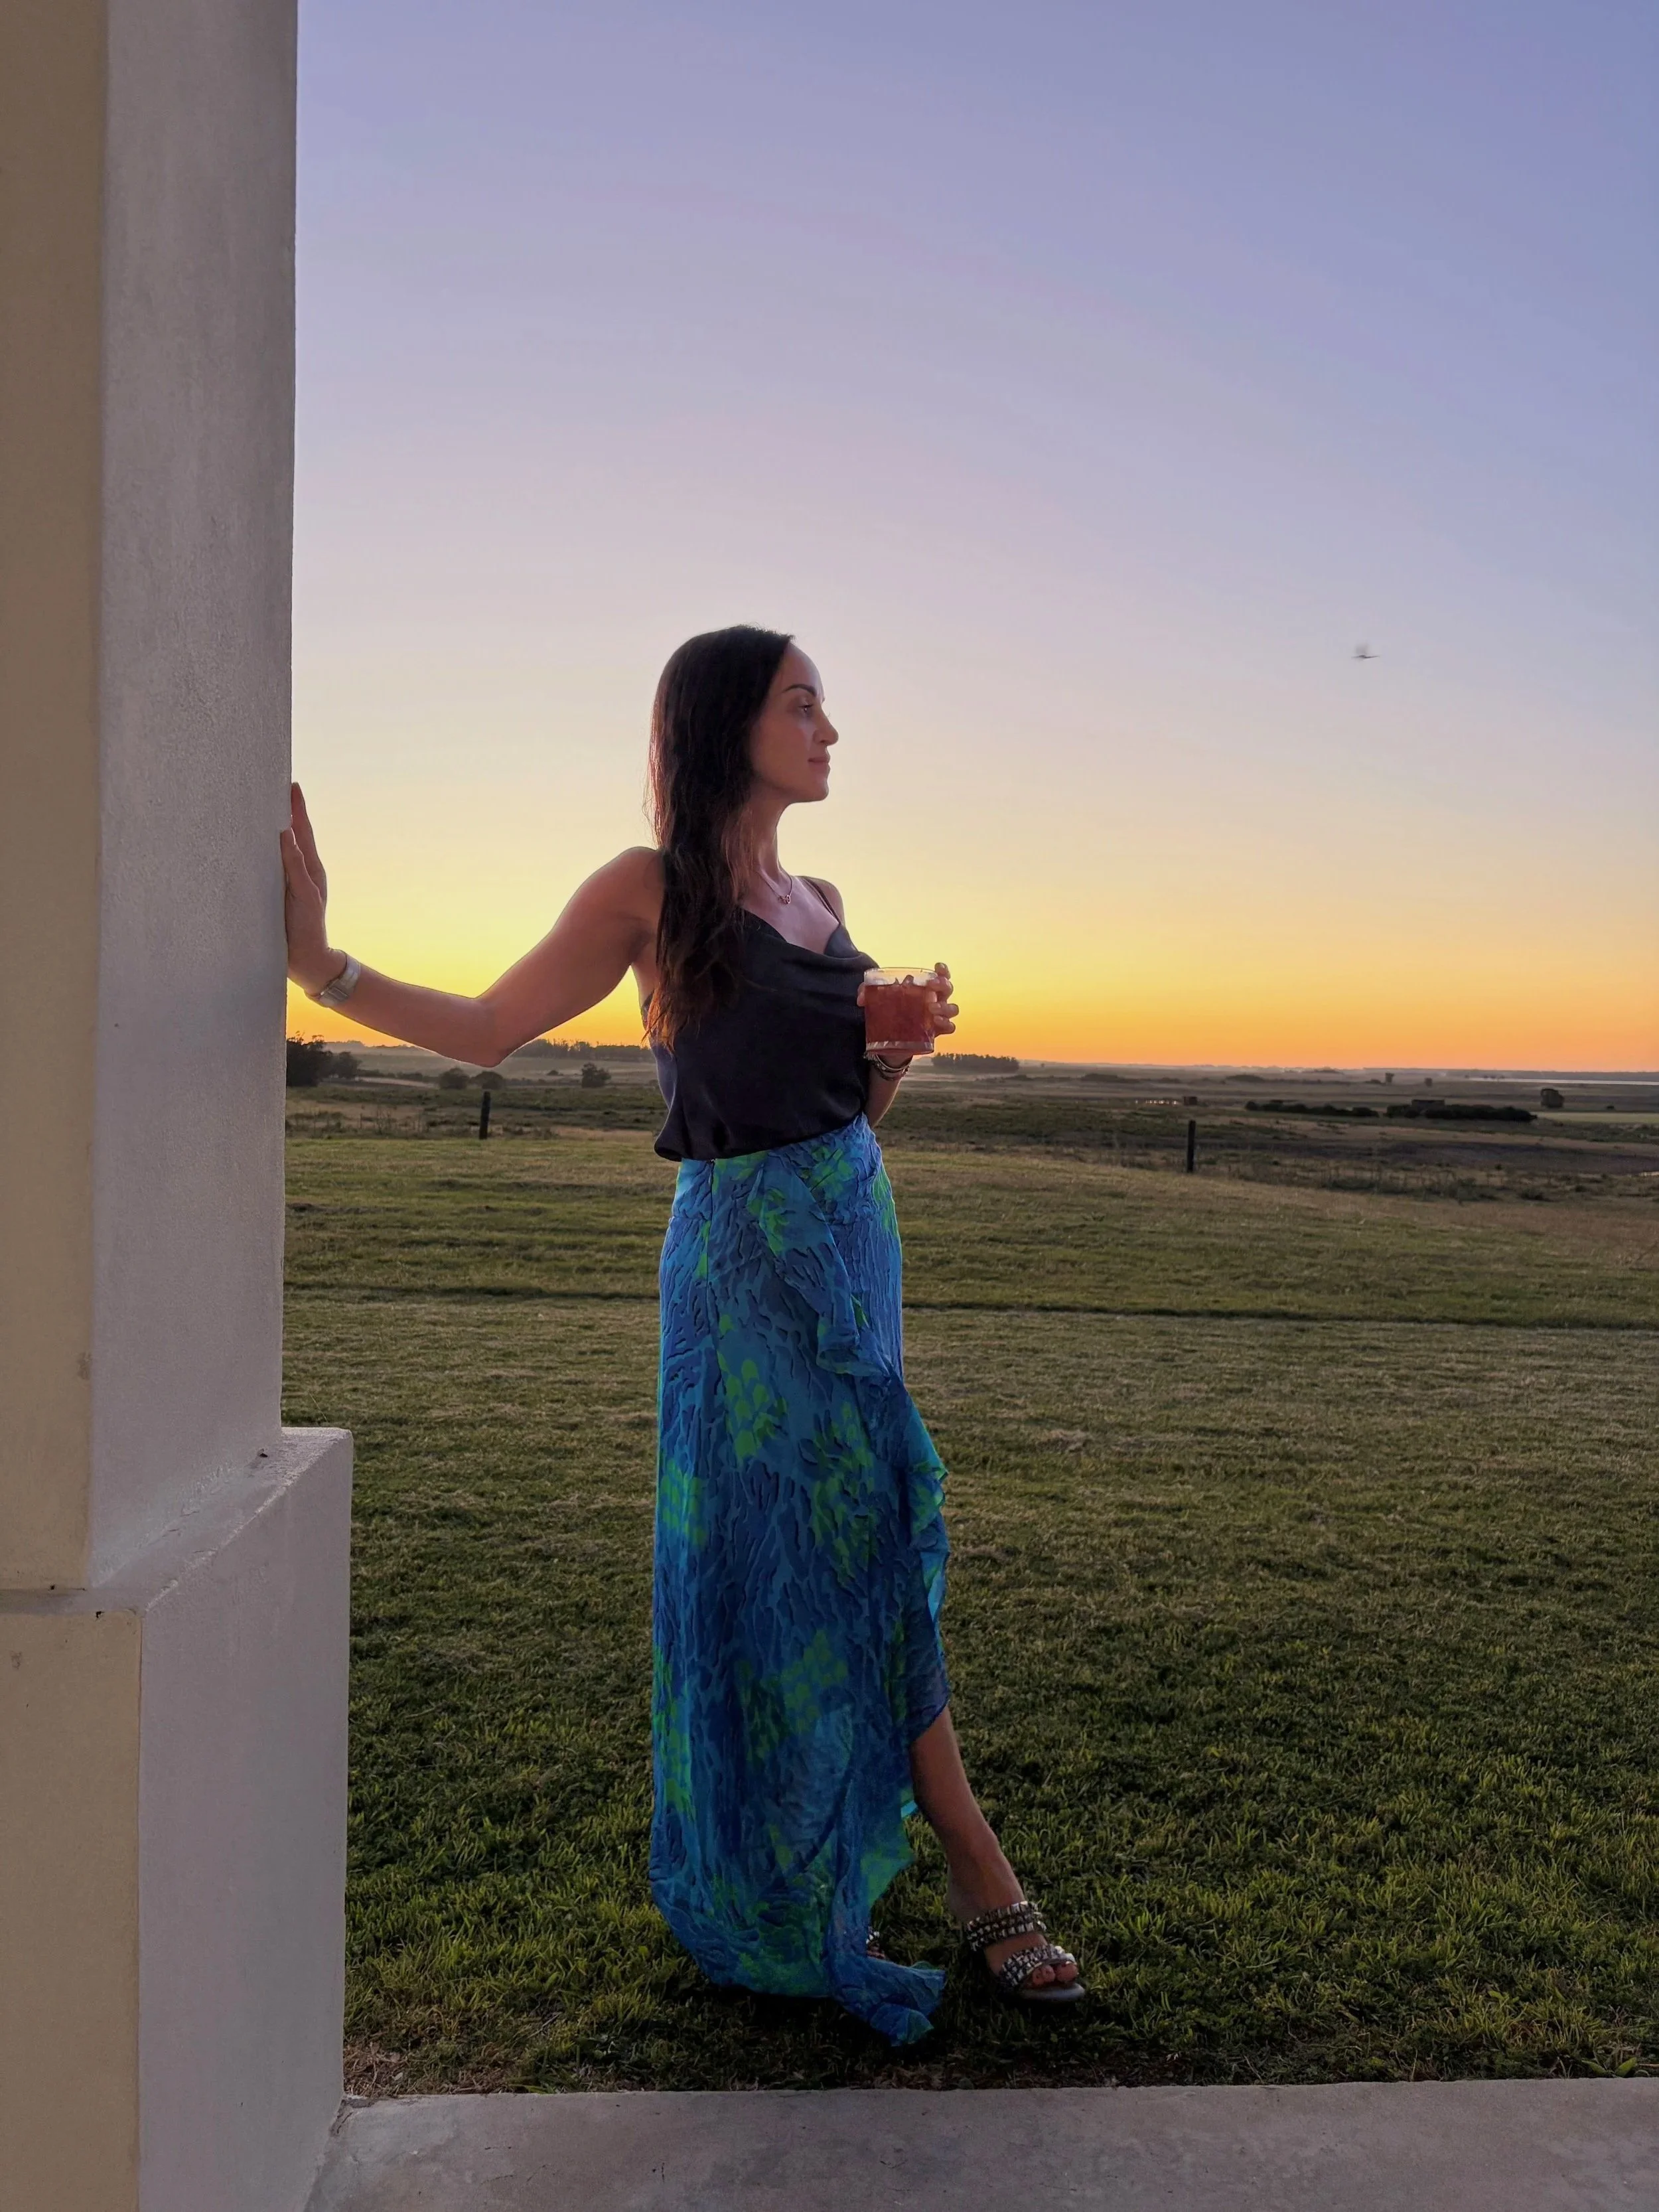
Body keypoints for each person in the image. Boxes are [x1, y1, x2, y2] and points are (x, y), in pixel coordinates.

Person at [281, 624, 1082, 2042]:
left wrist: (889, 1062)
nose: (828, 731)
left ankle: (899, 1858)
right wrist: (323, 966)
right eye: (801, 705)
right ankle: (967, 1864)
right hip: (742, 1266)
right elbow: (486, 1027)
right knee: (799, 1560)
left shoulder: (823, 898)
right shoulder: (645, 889)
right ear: (725, 724)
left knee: (866, 1534)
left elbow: (842, 1107)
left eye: (826, 707)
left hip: (850, 1232)